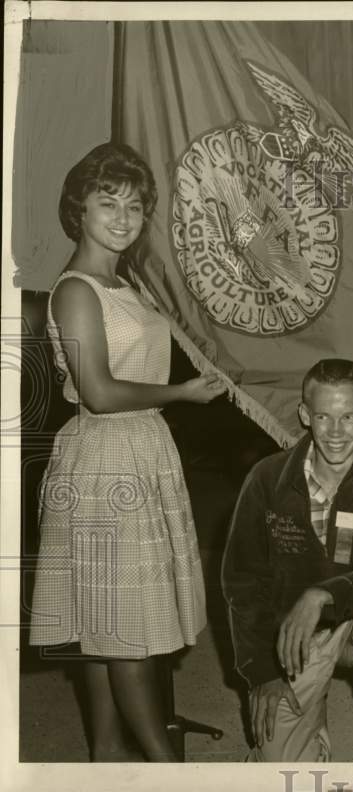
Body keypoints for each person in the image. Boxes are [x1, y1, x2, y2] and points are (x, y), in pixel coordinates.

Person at [28, 142, 224, 761]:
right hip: (105, 459)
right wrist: (184, 393)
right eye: (106, 202)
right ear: (77, 209)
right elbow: (98, 391)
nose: (121, 217)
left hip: (141, 449)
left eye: (134, 207)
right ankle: (168, 770)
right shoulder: (76, 290)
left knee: (107, 627)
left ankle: (107, 760)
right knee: (128, 632)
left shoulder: (126, 281)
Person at [221, 358, 353, 762]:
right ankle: (311, 725)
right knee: (277, 773)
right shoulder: (267, 478)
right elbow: (242, 581)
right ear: (303, 415)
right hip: (294, 637)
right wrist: (260, 671)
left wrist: (321, 595)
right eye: (323, 417)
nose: (335, 432)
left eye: (348, 417)